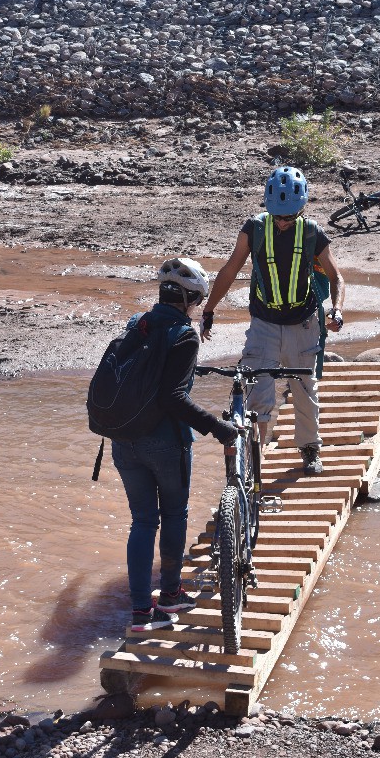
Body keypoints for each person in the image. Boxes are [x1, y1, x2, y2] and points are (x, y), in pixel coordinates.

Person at [111, 256, 239, 632]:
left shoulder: (139, 323)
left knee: (142, 521)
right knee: (174, 515)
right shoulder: (185, 334)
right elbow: (172, 397)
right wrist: (218, 428)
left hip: (124, 440)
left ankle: (139, 612)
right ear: (191, 299)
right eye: (198, 301)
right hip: (165, 444)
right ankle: (169, 596)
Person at [200, 166, 345, 476]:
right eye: (277, 216)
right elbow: (229, 270)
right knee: (257, 389)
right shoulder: (253, 229)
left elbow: (336, 277)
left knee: (304, 387)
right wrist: (209, 310)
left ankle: (309, 449)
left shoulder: (312, 232)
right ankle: (255, 459)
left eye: (289, 217)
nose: (282, 222)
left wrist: (337, 310)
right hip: (264, 323)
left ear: (302, 208)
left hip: (303, 323)